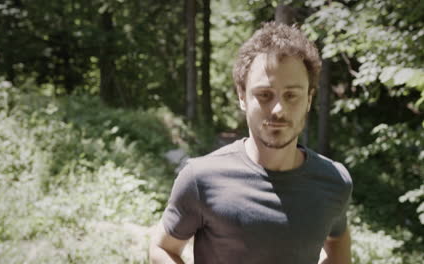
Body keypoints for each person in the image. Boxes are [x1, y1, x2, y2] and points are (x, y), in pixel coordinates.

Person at [149, 21, 353, 264]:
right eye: (264, 95)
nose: (278, 109)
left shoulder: (334, 181)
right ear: (242, 96)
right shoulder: (200, 178)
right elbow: (162, 248)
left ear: (309, 99)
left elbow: (337, 242)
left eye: (292, 96)